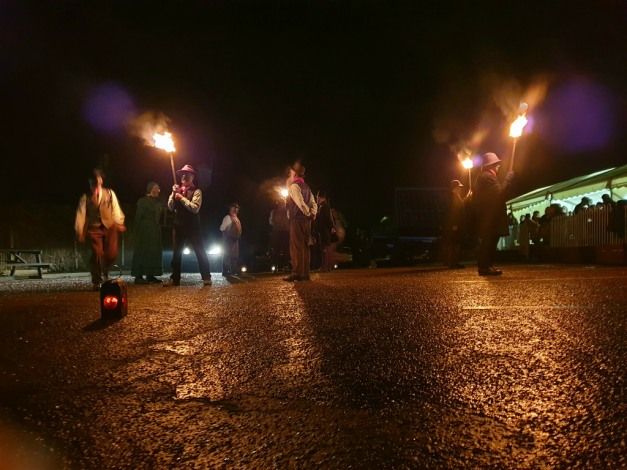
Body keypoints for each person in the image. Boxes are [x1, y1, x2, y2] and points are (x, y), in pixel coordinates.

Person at [75, 168, 126, 290]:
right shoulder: (85, 197)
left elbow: (115, 208)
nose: (95, 186)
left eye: (97, 183)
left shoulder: (109, 193)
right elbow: (81, 214)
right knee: (97, 254)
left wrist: (119, 222)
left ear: (101, 181)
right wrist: (80, 230)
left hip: (109, 227)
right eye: (93, 184)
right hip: (94, 229)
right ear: (90, 184)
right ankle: (96, 280)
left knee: (112, 253)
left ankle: (105, 270)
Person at [164, 164, 212, 287]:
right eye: (182, 174)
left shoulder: (197, 191)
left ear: (192, 177)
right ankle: (175, 279)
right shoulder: (177, 190)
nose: (184, 176)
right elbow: (170, 207)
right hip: (178, 225)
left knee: (200, 251)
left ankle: (206, 277)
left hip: (193, 227)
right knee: (176, 254)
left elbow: (195, 208)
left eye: (187, 174)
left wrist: (181, 198)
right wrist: (173, 195)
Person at [473, 152, 514, 276]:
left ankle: (487, 266)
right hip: (491, 218)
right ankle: (485, 267)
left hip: (488, 217)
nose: (498, 166)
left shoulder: (484, 177)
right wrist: (508, 179)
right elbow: (499, 194)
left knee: (490, 242)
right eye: (496, 164)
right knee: (489, 242)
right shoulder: (488, 177)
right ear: (491, 165)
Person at [284, 162, 317, 282]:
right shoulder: (307, 187)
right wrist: (312, 214)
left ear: (295, 174)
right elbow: (313, 203)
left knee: (296, 246)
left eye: (292, 172)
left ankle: (297, 273)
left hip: (297, 220)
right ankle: (305, 274)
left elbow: (300, 203)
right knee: (305, 246)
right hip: (306, 221)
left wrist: (308, 213)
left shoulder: (294, 186)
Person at [131, 181, 164, 284]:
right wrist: (137, 230)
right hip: (144, 230)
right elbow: (138, 216)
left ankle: (150, 274)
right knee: (142, 251)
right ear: (151, 189)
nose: (158, 190)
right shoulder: (142, 201)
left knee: (153, 252)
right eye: (156, 188)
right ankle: (138, 276)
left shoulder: (158, 202)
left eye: (158, 188)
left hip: (155, 230)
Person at [444, 179, 471, 268]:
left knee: (456, 243)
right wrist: (454, 224)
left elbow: (461, 205)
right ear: (454, 188)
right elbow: (453, 212)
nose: (460, 189)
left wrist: (467, 196)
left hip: (456, 225)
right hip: (454, 226)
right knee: (454, 244)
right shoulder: (452, 197)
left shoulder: (456, 196)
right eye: (459, 187)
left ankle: (454, 262)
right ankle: (452, 263)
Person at [220, 203, 242, 276]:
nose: (235, 209)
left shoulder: (237, 219)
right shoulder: (227, 217)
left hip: (235, 240)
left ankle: (233, 270)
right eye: (233, 208)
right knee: (227, 254)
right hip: (228, 239)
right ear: (230, 209)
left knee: (234, 255)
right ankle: (225, 271)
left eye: (236, 208)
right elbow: (222, 228)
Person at [269, 199, 290, 271]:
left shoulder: (286, 211)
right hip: (280, 232)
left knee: (282, 250)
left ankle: (280, 266)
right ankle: (278, 266)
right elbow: (271, 221)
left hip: (282, 232)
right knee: (279, 249)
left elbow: (271, 222)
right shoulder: (275, 212)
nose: (282, 205)